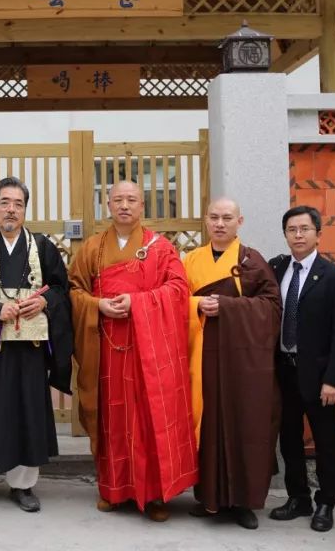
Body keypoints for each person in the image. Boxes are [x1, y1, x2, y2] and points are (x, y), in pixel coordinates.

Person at [68, 180, 198, 522]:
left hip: (148, 350)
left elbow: (178, 288)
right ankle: (113, 490)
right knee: (113, 419)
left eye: (132, 200)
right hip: (107, 345)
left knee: (148, 417)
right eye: (118, 200)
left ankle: (155, 495)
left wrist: (139, 302)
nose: (124, 205)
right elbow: (73, 290)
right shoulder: (92, 248)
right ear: (108, 206)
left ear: (142, 207)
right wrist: (99, 305)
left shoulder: (161, 248)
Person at [0, 178, 74, 513]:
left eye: (18, 203)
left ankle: (23, 485)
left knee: (27, 411)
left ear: (24, 209)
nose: (10, 209)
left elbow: (61, 287)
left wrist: (45, 301)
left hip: (30, 350)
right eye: (4, 202)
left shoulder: (43, 247)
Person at [183, 197, 282, 530]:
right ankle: (208, 498)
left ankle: (243, 502)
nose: (220, 223)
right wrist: (198, 303)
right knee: (208, 424)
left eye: (227, 218)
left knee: (244, 424)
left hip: (243, 361)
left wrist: (227, 306)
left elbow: (271, 307)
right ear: (206, 221)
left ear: (240, 221)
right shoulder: (191, 260)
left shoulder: (252, 261)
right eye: (214, 217)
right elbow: (176, 300)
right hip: (203, 354)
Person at [267, 205, 335, 533]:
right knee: (289, 439)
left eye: (305, 229)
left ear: (318, 234)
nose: (299, 235)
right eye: (292, 229)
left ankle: (326, 502)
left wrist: (334, 378)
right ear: (286, 234)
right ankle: (298, 497)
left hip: (320, 377)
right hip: (284, 371)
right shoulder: (275, 269)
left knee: (325, 442)